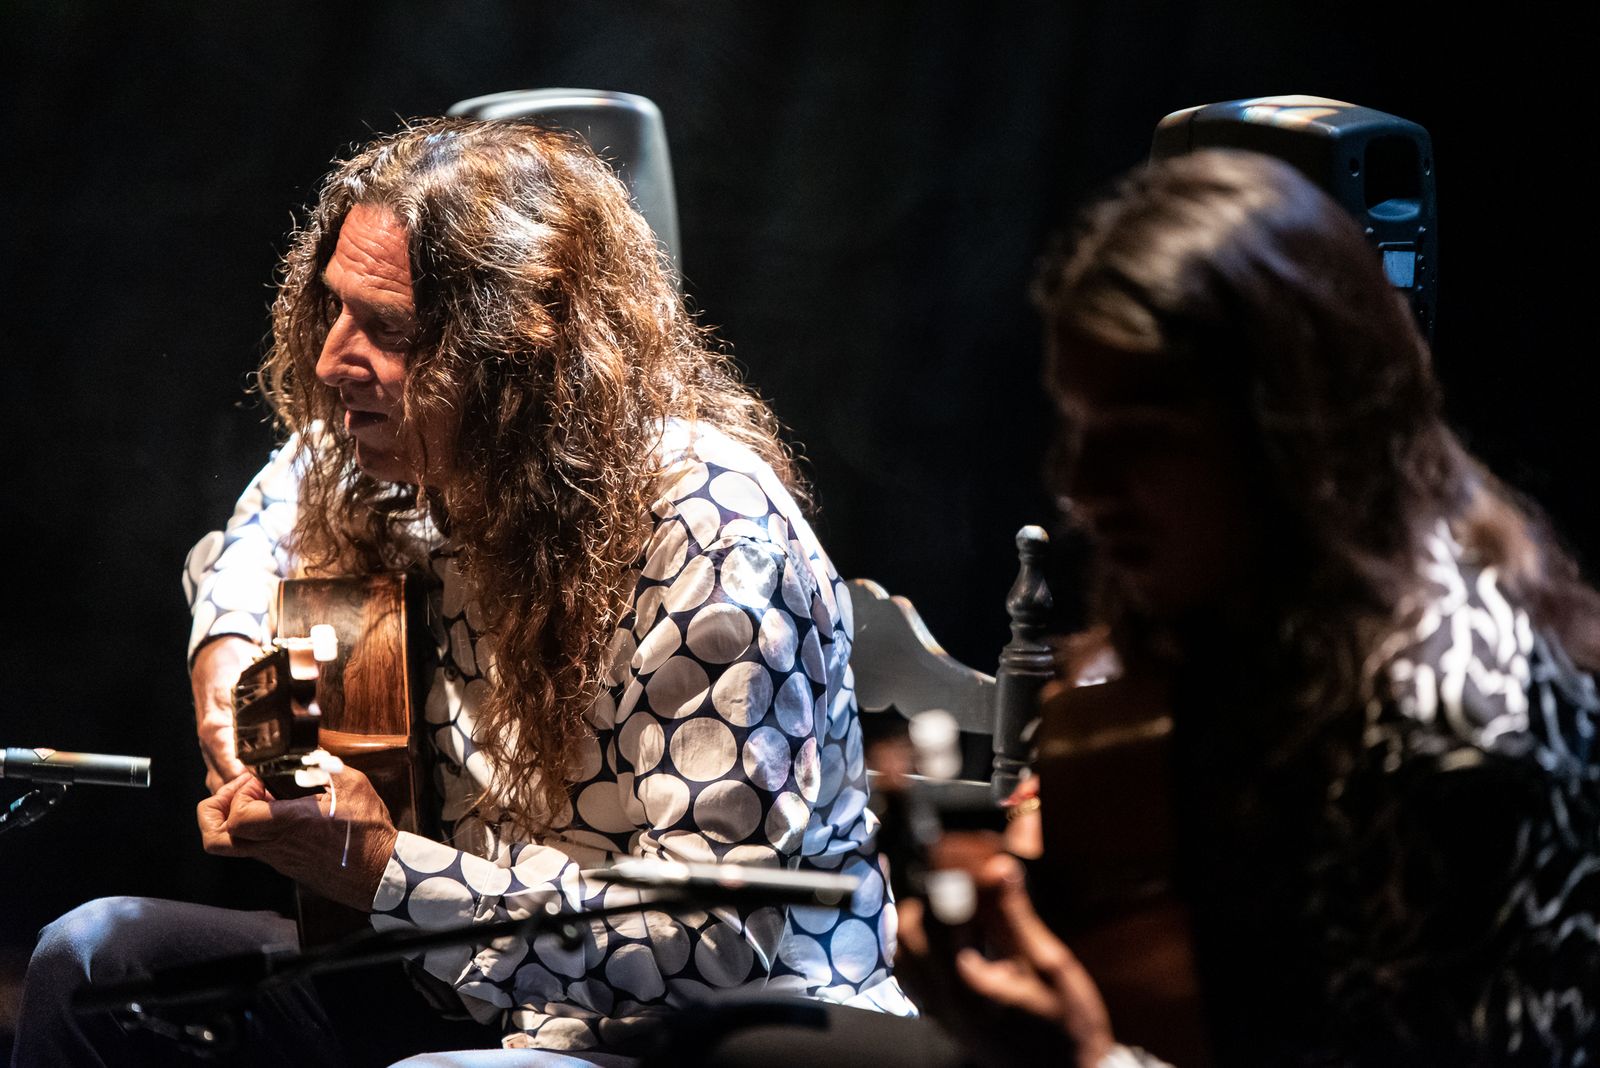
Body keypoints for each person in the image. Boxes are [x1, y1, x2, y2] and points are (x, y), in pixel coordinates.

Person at [13, 119, 911, 1067]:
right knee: (94, 967)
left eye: (388, 331)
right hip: (465, 986)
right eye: (336, 311)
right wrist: (231, 679)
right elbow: (262, 529)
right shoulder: (401, 457)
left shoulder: (713, 537)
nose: (330, 361)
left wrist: (385, 870)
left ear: (519, 360)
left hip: (708, 1030)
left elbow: (709, 941)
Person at [898, 149, 1599, 1066]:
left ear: (1294, 441)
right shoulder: (1254, 625)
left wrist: (1085, 1064)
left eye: (1144, 441)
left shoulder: (1453, 729)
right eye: (1078, 430)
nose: (1081, 485)